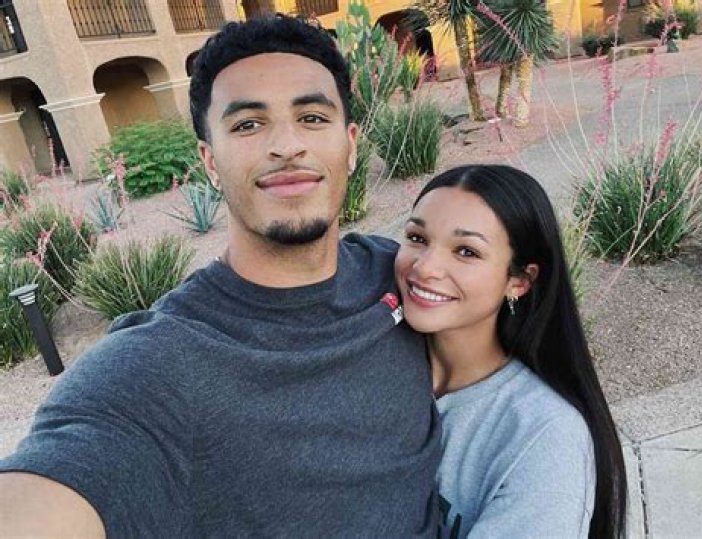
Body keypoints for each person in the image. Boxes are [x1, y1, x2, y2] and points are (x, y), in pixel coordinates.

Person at [0, 16, 440, 537]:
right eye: (248, 125)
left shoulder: (406, 275)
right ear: (209, 161)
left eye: (312, 117)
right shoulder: (156, 367)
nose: (287, 145)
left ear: (350, 145)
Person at [394, 165, 627, 538]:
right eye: (417, 238)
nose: (425, 267)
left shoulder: (544, 435)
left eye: (466, 251)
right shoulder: (373, 356)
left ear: (519, 281)